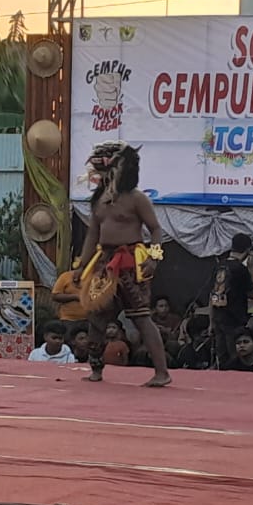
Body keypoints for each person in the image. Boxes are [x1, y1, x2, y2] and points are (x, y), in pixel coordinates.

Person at [74, 142, 171, 387]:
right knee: (97, 317)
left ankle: (162, 373)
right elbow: (92, 236)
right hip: (105, 263)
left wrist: (154, 258)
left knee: (141, 318)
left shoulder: (137, 198)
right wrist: (80, 266)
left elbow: (156, 230)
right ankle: (96, 369)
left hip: (131, 262)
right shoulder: (98, 200)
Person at [210, 233, 253, 369]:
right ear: (247, 250)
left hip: (218, 318)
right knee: (235, 359)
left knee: (222, 359)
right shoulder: (241, 269)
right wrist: (252, 269)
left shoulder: (219, 266)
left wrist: (211, 320)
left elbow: (212, 294)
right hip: (234, 320)